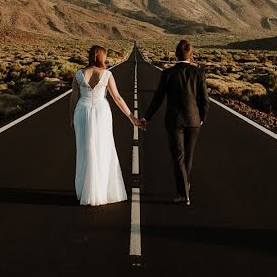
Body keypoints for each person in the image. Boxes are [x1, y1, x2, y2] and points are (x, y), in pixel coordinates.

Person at [69, 45, 142, 206]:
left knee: (84, 151)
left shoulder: (79, 74)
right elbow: (117, 98)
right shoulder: (107, 74)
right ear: (102, 57)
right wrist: (132, 118)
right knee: (103, 150)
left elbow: (74, 99)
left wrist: (71, 118)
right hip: (102, 112)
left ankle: (85, 192)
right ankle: (100, 191)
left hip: (82, 111)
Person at [141, 39, 209, 205]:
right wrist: (201, 118)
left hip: (174, 121)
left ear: (176, 54)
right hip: (193, 121)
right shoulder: (199, 73)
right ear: (191, 55)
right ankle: (185, 188)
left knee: (178, 157)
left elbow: (158, 98)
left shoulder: (168, 73)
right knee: (188, 156)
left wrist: (147, 117)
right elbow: (205, 100)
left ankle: (183, 193)